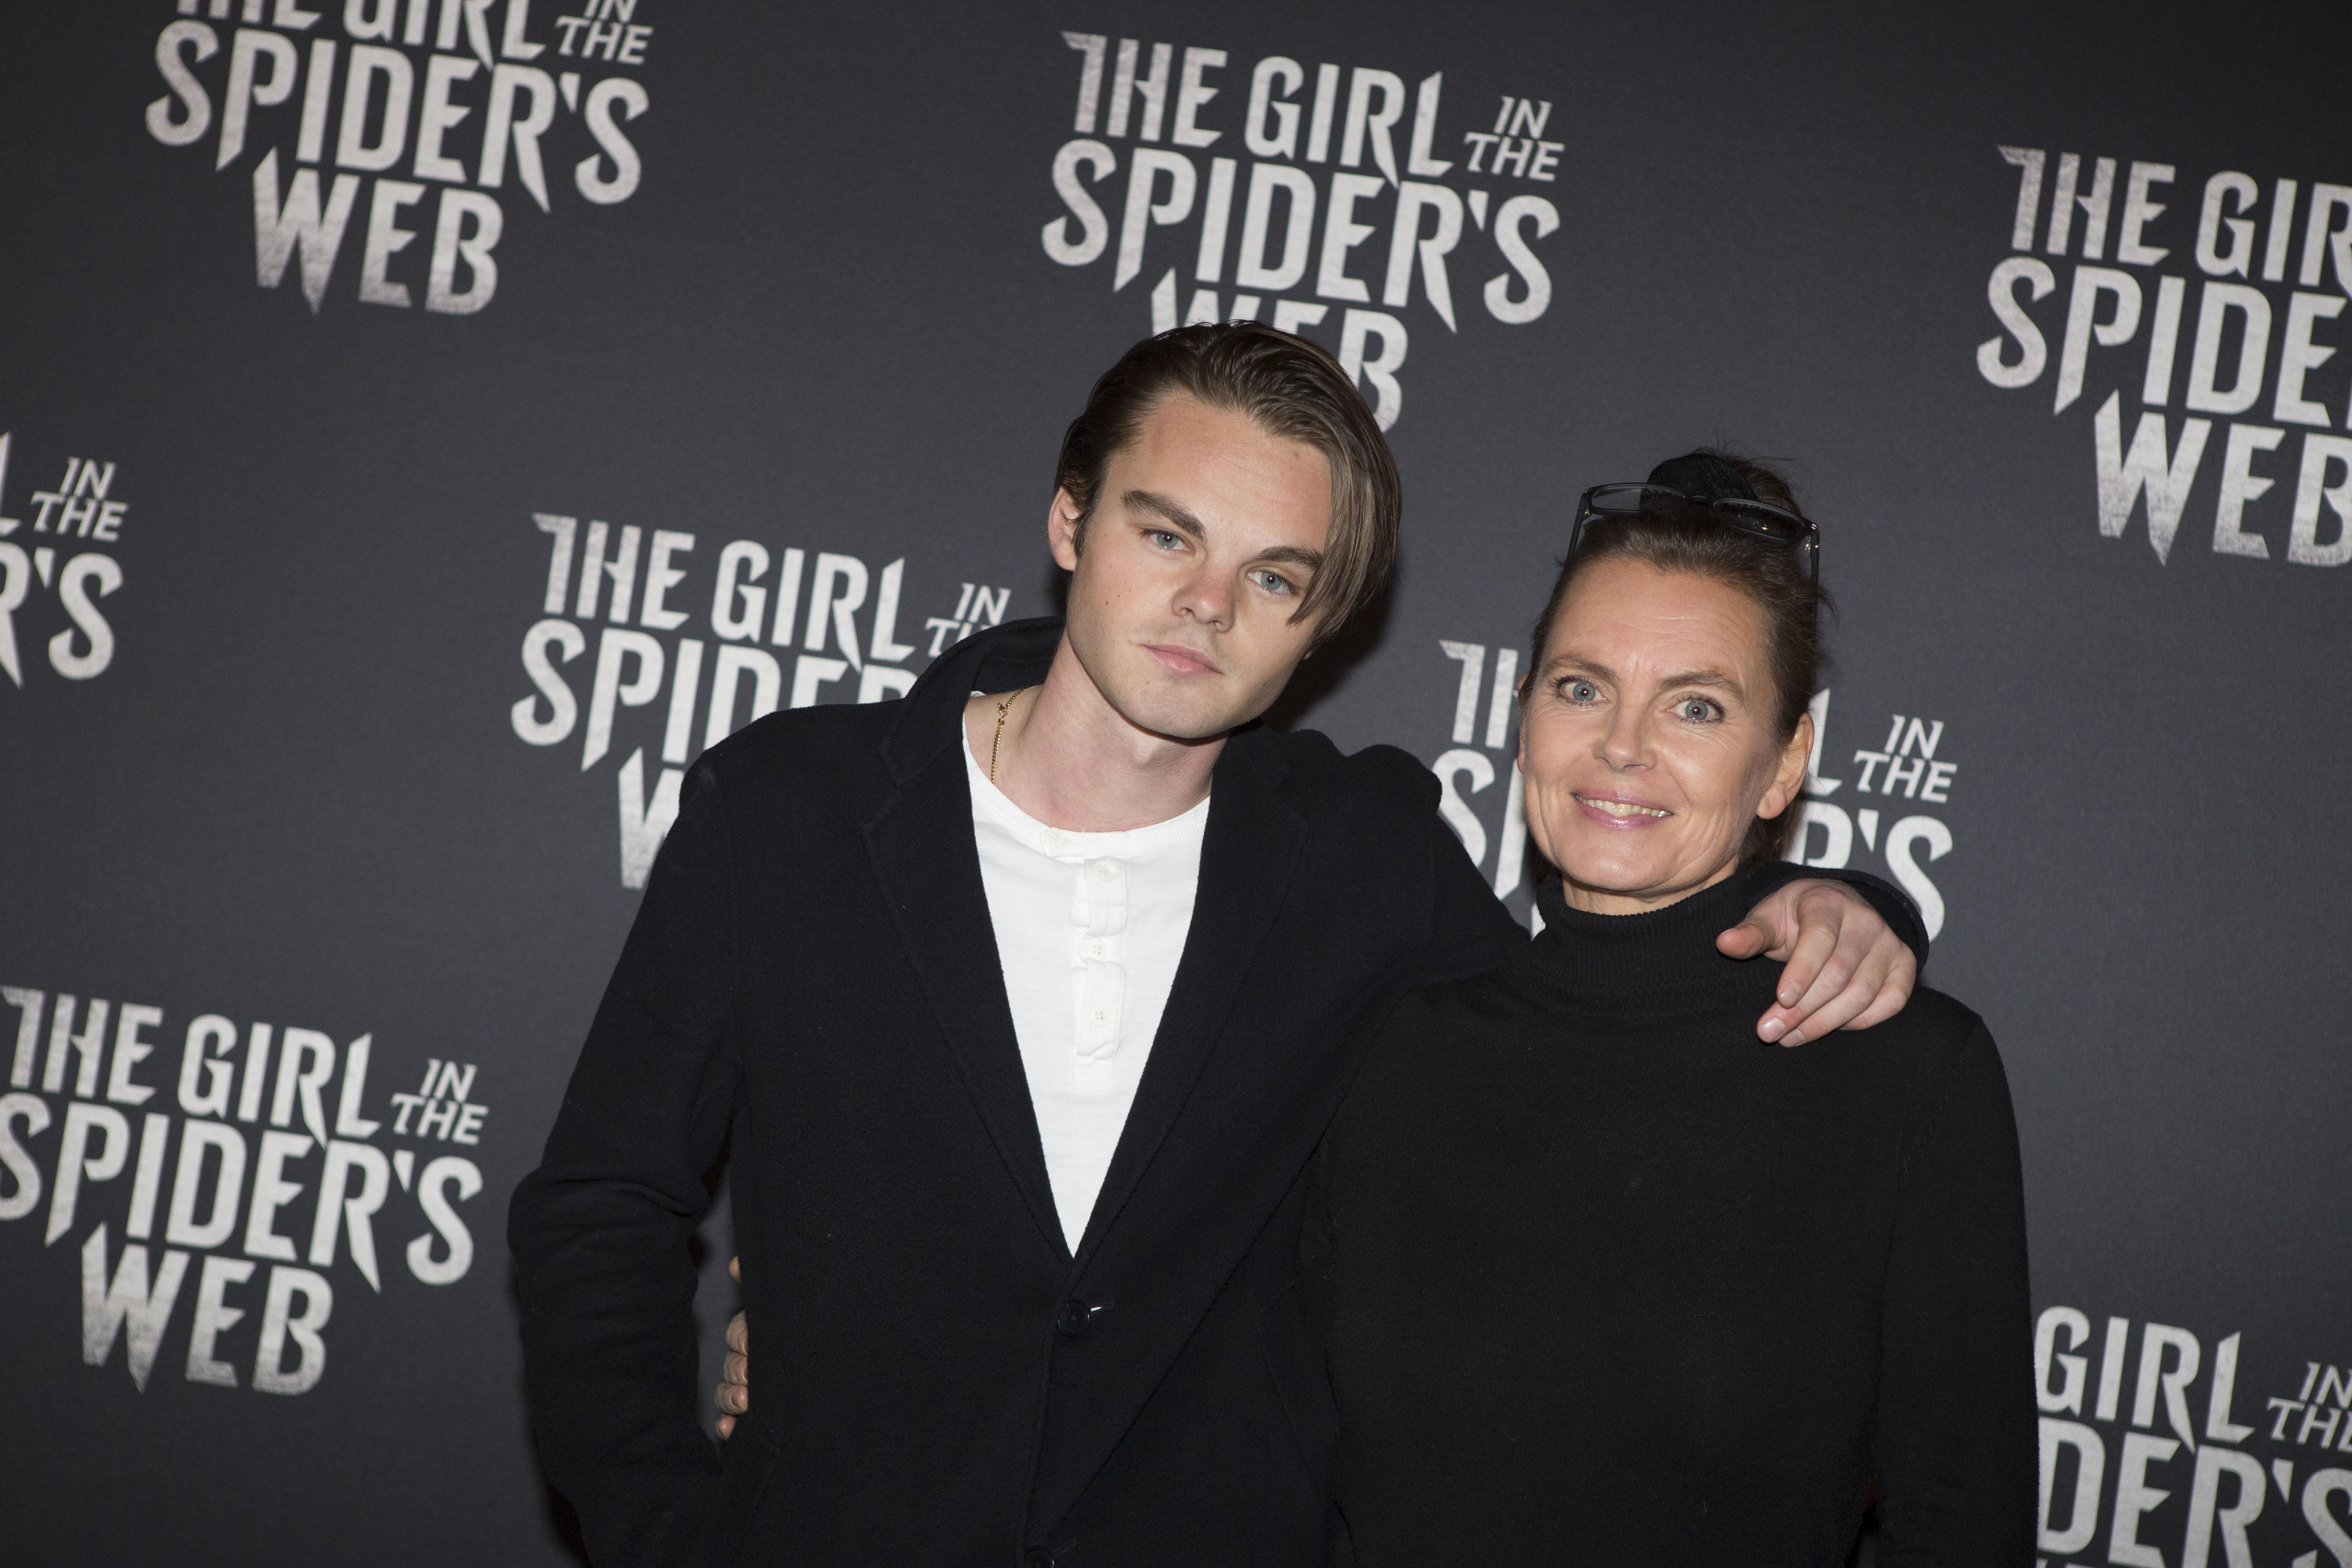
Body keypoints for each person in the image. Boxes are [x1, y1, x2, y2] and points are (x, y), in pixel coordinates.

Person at [509, 328, 1925, 1568]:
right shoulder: (791, 812)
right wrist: (675, 1536)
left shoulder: (1365, 859)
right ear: (1071, 520)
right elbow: (598, 1209)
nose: (1208, 605)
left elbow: (1593, 1021)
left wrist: (1850, 903)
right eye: (1167, 535)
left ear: (1321, 625)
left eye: (1274, 576)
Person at [1305, 453, 2034, 1565]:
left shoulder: (1906, 1077)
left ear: (1785, 763)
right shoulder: (1390, 1039)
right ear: (1522, 711)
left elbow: (1961, 1525)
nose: (1623, 744)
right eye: (1581, 687)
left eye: (1696, 706)